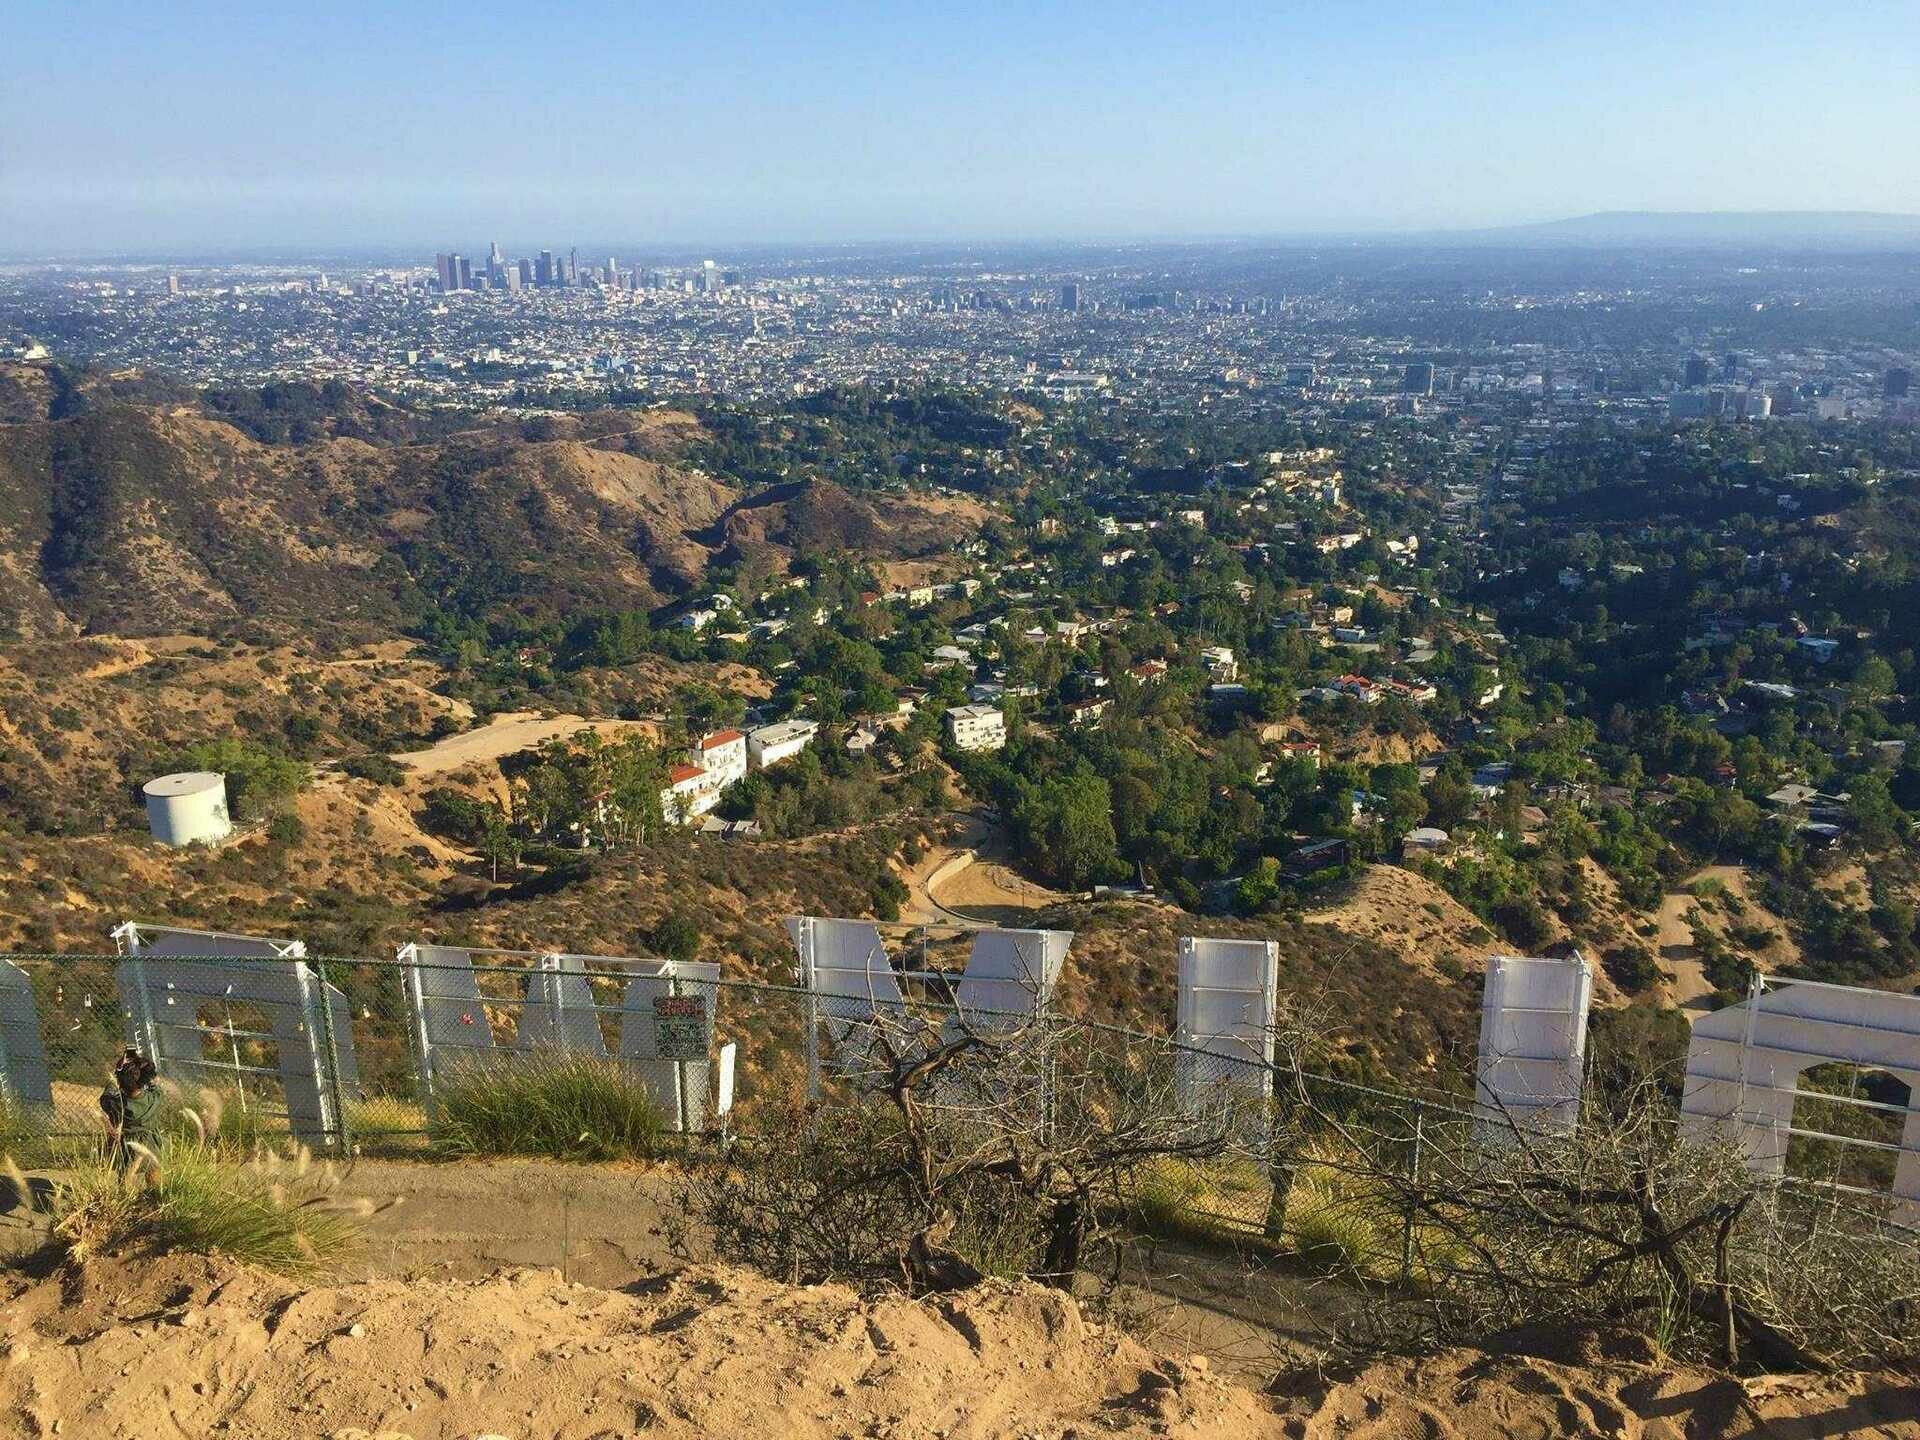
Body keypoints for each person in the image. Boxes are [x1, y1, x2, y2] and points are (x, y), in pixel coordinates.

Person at [99, 1048, 158, 1169]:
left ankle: (123, 1186)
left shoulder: (116, 1105)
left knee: (125, 1174)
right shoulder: (155, 1098)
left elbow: (106, 1097)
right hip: (152, 1144)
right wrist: (143, 1068)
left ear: (120, 1080)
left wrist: (116, 1075)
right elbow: (154, 1084)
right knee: (153, 1170)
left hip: (127, 1148)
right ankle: (154, 1187)